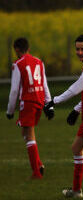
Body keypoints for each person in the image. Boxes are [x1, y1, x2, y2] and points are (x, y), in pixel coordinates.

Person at [44, 34, 83, 198]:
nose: (79, 52)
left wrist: (54, 101)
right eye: (77, 49)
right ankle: (77, 190)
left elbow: (76, 88)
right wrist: (76, 110)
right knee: (77, 148)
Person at [6, 37, 53, 179]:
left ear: (17, 50)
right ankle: (39, 164)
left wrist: (10, 111)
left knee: (29, 135)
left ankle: (36, 172)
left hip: (27, 101)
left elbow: (14, 90)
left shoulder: (18, 64)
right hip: (39, 101)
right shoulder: (39, 62)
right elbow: (44, 84)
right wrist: (49, 104)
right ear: (29, 48)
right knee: (25, 133)